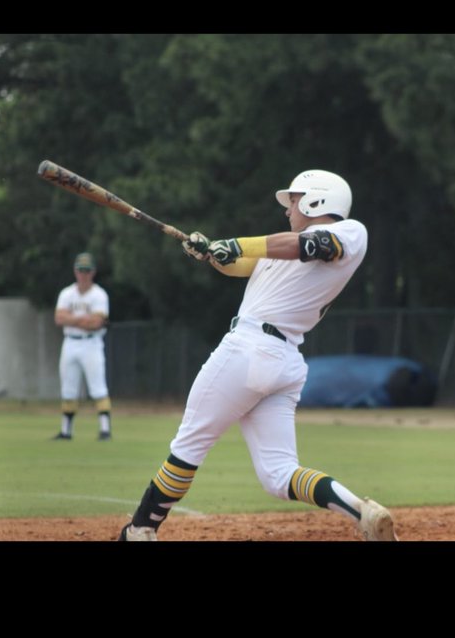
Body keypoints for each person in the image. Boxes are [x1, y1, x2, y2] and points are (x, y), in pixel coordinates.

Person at [118, 169, 398, 541]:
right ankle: (361, 511)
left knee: (188, 445)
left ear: (318, 199)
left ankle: (140, 530)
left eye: (295, 200)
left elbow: (304, 245)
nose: (288, 209)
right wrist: (209, 252)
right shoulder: (288, 246)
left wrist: (236, 242)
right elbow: (242, 262)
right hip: (281, 362)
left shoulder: (348, 232)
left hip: (249, 350)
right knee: (279, 474)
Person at [52, 252, 112, 441]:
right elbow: (59, 318)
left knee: (98, 387)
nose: (83, 274)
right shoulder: (67, 293)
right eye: (80, 270)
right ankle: (66, 431)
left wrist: (72, 319)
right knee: (68, 388)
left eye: (86, 270)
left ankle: (105, 429)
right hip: (70, 342)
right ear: (75, 271)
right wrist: (83, 319)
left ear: (93, 272)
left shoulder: (99, 294)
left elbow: (97, 323)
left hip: (91, 343)